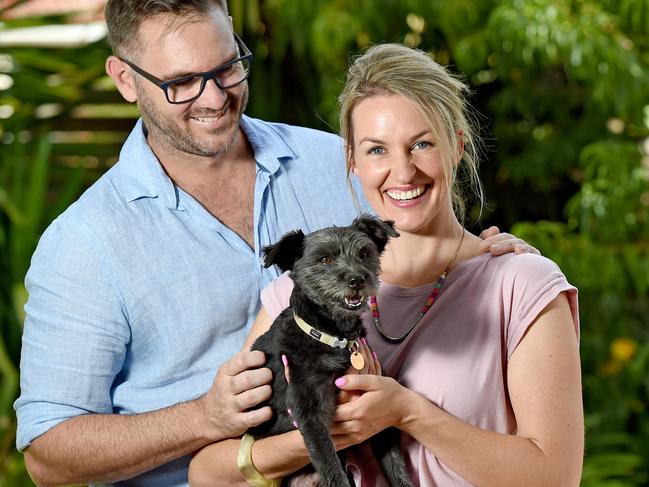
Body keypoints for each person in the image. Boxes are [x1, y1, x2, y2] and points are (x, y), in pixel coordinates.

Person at [14, 2, 533, 486]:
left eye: (226, 67)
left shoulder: (333, 162)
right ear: (126, 79)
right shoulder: (83, 243)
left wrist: (479, 254)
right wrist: (202, 417)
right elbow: (47, 452)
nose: (214, 98)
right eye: (182, 83)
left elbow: (417, 236)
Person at [188, 43, 583, 487]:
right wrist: (322, 437)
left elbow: (556, 475)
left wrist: (407, 412)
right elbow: (208, 473)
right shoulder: (295, 298)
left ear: (456, 144)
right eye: (377, 150)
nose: (403, 171)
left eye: (422, 143)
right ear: (352, 160)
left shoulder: (521, 286)